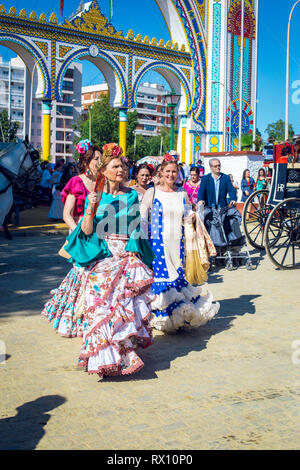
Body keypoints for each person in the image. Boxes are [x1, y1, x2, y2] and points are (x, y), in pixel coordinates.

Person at [59, 142, 155, 379]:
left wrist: (133, 250)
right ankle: (103, 357)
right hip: (103, 255)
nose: (120, 170)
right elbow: (89, 230)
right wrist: (90, 209)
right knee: (100, 305)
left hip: (124, 254)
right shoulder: (97, 196)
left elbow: (136, 226)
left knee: (121, 307)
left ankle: (124, 354)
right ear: (103, 171)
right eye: (115, 166)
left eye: (122, 166)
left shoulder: (131, 194)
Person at [140, 152, 219, 334]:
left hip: (178, 244)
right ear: (160, 173)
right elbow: (143, 219)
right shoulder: (152, 192)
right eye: (167, 171)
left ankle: (179, 317)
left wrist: (192, 216)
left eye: (174, 171)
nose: (171, 175)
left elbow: (185, 216)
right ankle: (163, 319)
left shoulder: (182, 193)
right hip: (158, 245)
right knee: (164, 279)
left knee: (177, 276)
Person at [41, 141, 101, 338]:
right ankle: (72, 317)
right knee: (81, 274)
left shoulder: (102, 182)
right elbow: (67, 214)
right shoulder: (76, 181)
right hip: (78, 232)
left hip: (97, 233)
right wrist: (78, 233)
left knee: (95, 276)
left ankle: (92, 317)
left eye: (101, 159)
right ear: (86, 161)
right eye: (96, 159)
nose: (99, 163)